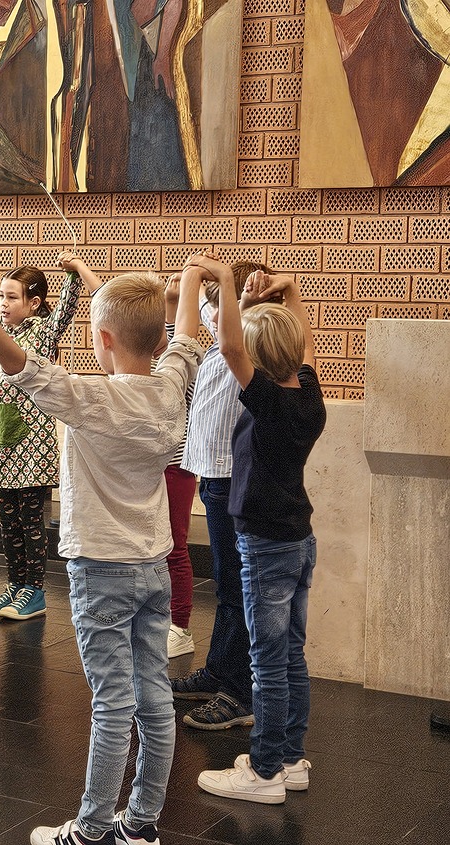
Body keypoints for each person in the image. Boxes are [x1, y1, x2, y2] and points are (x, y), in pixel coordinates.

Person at [0, 259, 204, 845]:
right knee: (153, 699)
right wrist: (194, 279)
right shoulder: (172, 386)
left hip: (101, 569)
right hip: (153, 567)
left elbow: (20, 366)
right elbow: (188, 342)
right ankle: (140, 823)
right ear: (158, 340)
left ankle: (91, 830)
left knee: (113, 703)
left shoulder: (94, 398)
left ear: (103, 339)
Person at [194, 259, 324, 804]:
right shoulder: (308, 398)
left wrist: (227, 284)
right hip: (299, 541)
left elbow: (229, 348)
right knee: (291, 655)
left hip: (266, 546)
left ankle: (266, 770)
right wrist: (291, 292)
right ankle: (291, 759)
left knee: (268, 663)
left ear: (259, 360)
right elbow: (305, 346)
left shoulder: (267, 401)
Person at [170, 261, 280, 731]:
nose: (214, 315)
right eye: (214, 307)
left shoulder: (249, 347)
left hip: (234, 480)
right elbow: (201, 308)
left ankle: (240, 691)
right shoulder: (218, 340)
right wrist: (195, 281)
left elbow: (234, 326)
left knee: (237, 586)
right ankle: (219, 670)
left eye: (226, 306)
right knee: (226, 583)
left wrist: (242, 296)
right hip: (214, 478)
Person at [0, 251, 100, 621]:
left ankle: (34, 591)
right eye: (1, 296)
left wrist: (74, 272)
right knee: (8, 525)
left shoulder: (42, 332)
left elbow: (66, 311)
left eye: (12, 297)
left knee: (30, 523)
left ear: (33, 303)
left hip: (31, 450)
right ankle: (15, 584)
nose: (3, 304)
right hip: (0, 445)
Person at [161, 274, 198, 659]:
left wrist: (179, 297)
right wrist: (172, 300)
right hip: (155, 465)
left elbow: (181, 339)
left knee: (175, 546)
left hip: (177, 466)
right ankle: (161, 618)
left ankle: (180, 626)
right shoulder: (153, 363)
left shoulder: (181, 364)